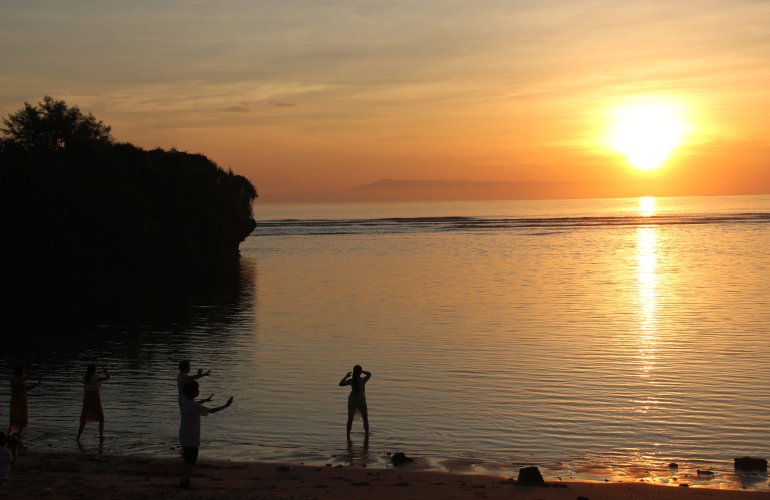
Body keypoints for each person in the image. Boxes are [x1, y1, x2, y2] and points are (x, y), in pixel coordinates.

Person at [179, 380, 233, 489]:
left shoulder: (183, 401)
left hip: (183, 434)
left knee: (187, 459)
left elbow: (195, 404)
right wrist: (226, 405)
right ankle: (186, 481)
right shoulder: (193, 405)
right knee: (192, 461)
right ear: (194, 392)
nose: (198, 391)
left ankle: (184, 478)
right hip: (192, 436)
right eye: (197, 390)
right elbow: (211, 411)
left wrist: (205, 400)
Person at [77, 365, 110, 443]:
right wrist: (105, 371)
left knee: (83, 420)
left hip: (87, 401)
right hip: (95, 400)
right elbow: (108, 377)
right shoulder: (95, 378)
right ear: (94, 371)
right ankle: (101, 437)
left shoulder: (85, 378)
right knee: (101, 419)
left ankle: (78, 438)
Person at [339, 365, 371, 441]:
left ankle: (348, 436)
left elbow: (341, 384)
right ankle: (366, 435)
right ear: (360, 372)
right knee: (365, 418)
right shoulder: (363, 380)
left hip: (352, 400)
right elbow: (369, 374)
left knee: (350, 419)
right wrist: (362, 371)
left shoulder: (351, 380)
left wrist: (346, 376)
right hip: (361, 400)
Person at [9, 365, 40, 444]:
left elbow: (23, 378)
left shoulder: (13, 378)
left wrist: (26, 374)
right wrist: (36, 384)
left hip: (15, 401)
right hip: (20, 402)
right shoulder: (18, 380)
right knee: (21, 419)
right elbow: (27, 387)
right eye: (22, 371)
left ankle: (11, 434)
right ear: (19, 372)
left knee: (14, 418)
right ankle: (16, 434)